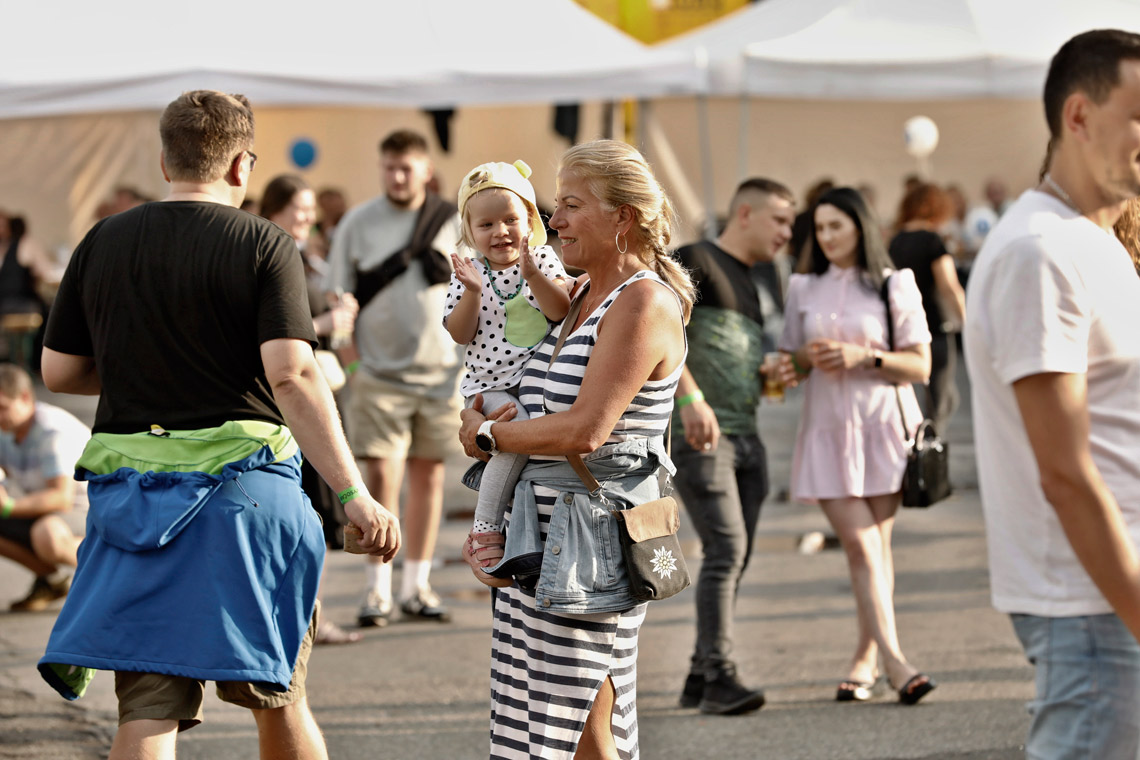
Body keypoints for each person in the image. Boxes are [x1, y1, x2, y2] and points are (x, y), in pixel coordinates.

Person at [36, 90, 400, 760]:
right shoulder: (264, 243)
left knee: (148, 709)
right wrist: (354, 494)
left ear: (165, 161)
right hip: (246, 502)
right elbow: (292, 374)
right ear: (241, 165)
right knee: (278, 698)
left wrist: (147, 374)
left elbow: (59, 372)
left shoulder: (102, 240)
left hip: (136, 506)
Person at [457, 139, 692, 758]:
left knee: (580, 726)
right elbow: (521, 391)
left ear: (622, 218)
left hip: (589, 543)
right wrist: (480, 415)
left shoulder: (642, 300)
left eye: (570, 205)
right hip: (539, 540)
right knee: (553, 718)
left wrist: (487, 436)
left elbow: (585, 429)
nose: (553, 219)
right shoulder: (578, 294)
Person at [964, 29, 1140, 758]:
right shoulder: (1041, 251)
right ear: (1079, 116)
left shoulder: (1091, 241)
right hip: (1094, 605)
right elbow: (1065, 472)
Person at [779, 186, 936, 705]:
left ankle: (865, 659)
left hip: (884, 429)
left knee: (875, 551)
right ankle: (897, 663)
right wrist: (798, 361)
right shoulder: (802, 286)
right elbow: (789, 362)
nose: (825, 237)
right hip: (826, 431)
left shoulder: (895, 284)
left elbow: (920, 365)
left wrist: (863, 357)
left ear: (860, 227)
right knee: (863, 546)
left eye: (836, 226)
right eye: (819, 228)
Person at [324, 129, 463, 627]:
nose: (398, 177)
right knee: (381, 476)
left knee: (430, 475)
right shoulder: (358, 222)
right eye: (390, 167)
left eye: (406, 168)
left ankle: (416, 586)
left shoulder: (452, 221)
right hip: (377, 374)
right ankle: (377, 588)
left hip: (443, 373)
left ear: (426, 170)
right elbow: (339, 299)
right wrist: (353, 366)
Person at [671, 177, 795, 715]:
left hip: (747, 435)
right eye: (780, 220)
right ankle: (719, 676)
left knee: (734, 557)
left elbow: (730, 353)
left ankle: (701, 673)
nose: (786, 233)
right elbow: (659, 332)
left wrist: (767, 372)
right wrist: (690, 398)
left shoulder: (755, 281)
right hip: (701, 436)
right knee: (725, 550)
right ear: (745, 214)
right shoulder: (693, 258)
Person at [442, 160, 570, 576]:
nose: (500, 232)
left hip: (535, 380)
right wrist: (472, 292)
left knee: (525, 443)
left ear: (530, 220)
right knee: (518, 434)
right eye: (486, 225)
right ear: (469, 231)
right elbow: (460, 333)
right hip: (490, 385)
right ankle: (484, 528)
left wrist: (533, 275)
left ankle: (516, 532)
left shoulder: (543, 258)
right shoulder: (468, 273)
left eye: (511, 220)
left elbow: (560, 310)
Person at [260, 174, 362, 645]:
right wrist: (326, 321)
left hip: (315, 387)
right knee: (302, 514)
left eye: (309, 211)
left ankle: (306, 617)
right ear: (274, 210)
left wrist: (339, 324)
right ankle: (300, 621)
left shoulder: (302, 256)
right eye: (297, 210)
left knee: (311, 517)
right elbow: (279, 331)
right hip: (290, 399)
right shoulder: (269, 255)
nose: (306, 218)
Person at [0, 363, 89, 612]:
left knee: (46, 535)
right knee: (44, 530)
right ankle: (51, 581)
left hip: (91, 510)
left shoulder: (52, 431)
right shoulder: (8, 428)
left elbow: (61, 498)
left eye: (2, 408)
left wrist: (8, 507)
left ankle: (119, 578)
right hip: (52, 512)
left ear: (25, 397)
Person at [888, 183, 966, 434]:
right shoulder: (932, 240)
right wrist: (967, 321)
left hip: (905, 328)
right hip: (934, 325)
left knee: (936, 399)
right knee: (940, 403)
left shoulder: (895, 241)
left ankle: (923, 445)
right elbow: (949, 286)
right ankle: (930, 452)